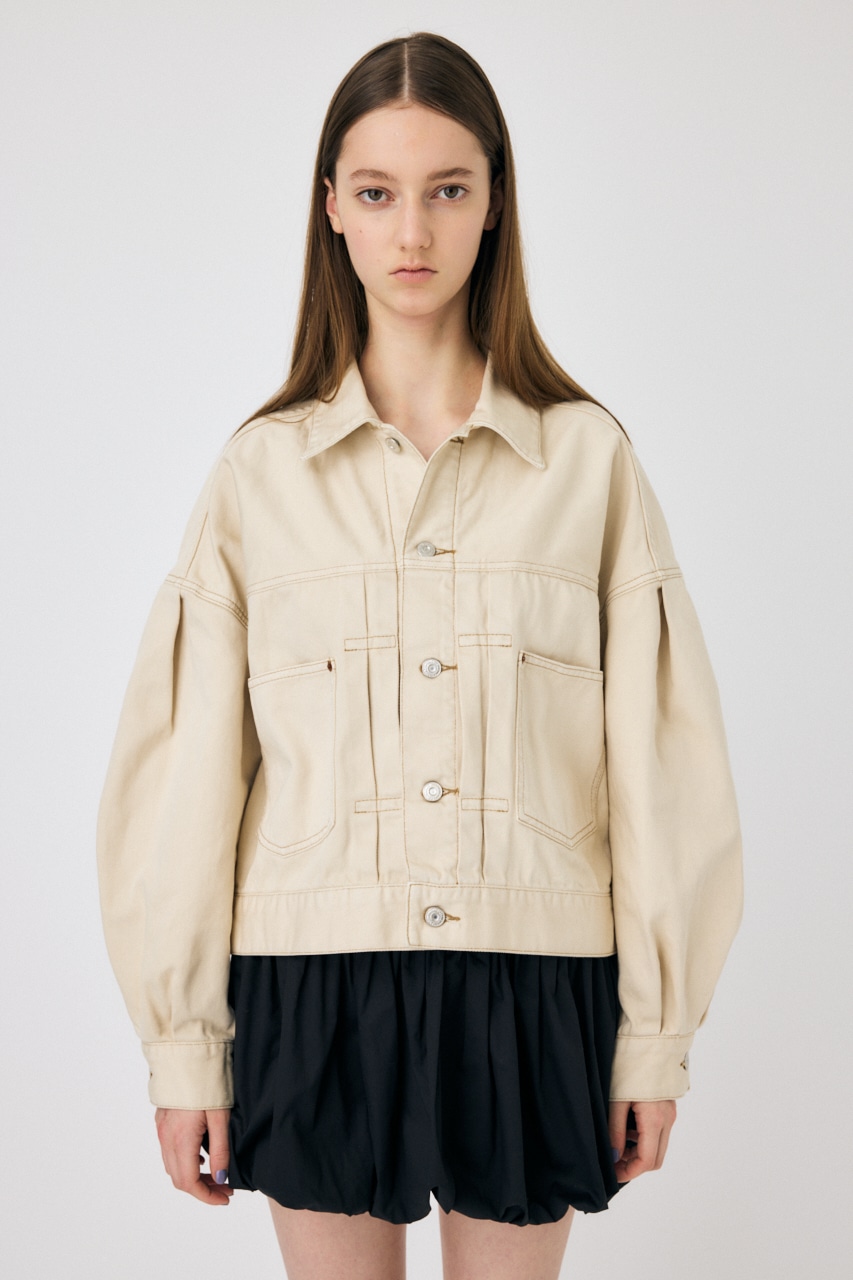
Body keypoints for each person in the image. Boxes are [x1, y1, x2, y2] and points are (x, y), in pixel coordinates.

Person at [95, 29, 743, 1280]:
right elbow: (186, 778)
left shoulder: (587, 462)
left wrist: (654, 1035)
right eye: (377, 191)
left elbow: (663, 769)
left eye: (447, 188)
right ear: (330, 207)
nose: (412, 230)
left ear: (494, 201)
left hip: (536, 982)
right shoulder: (259, 475)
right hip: (311, 984)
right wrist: (183, 1047)